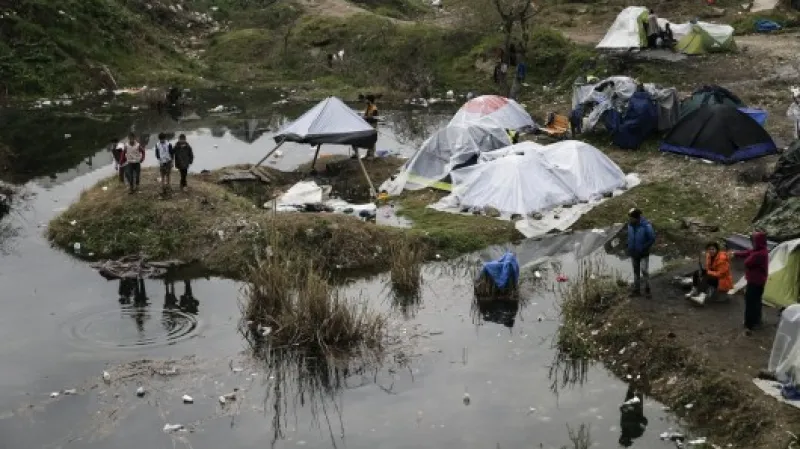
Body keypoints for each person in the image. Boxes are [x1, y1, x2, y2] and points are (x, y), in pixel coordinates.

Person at [734, 231, 770, 333]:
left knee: (751, 302)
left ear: (758, 242)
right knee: (756, 301)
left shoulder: (760, 254)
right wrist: (736, 253)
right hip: (759, 281)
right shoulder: (761, 249)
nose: (752, 242)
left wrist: (741, 257)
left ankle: (749, 324)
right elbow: (748, 252)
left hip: (755, 282)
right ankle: (757, 321)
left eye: (754, 241)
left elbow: (747, 262)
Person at [627, 208, 656, 297]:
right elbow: (629, 236)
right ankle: (636, 290)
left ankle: (648, 290)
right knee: (636, 272)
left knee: (644, 270)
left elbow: (652, 238)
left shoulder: (646, 226)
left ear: (637, 218)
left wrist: (643, 248)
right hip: (633, 252)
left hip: (643, 253)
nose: (630, 219)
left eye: (631, 218)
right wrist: (628, 245)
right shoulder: (630, 225)